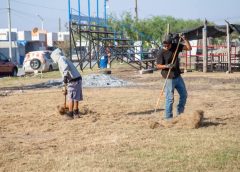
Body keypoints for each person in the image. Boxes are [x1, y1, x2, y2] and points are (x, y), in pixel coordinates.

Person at [156, 33, 192, 119]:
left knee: (184, 95)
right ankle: (168, 118)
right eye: (164, 45)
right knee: (170, 98)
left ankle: (180, 114)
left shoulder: (176, 46)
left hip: (177, 76)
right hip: (168, 78)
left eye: (167, 45)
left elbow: (189, 48)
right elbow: (158, 66)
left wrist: (185, 39)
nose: (166, 47)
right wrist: (167, 66)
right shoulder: (161, 52)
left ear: (171, 43)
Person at [51, 48, 83, 119]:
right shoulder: (63, 58)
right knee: (75, 97)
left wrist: (65, 77)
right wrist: (64, 85)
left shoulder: (61, 59)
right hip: (77, 78)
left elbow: (65, 68)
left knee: (71, 97)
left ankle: (70, 114)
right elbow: (64, 72)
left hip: (73, 80)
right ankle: (76, 113)